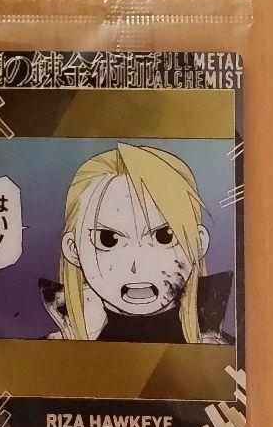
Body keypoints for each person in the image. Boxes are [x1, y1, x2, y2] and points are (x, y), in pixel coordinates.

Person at [55, 143, 232, 343]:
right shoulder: (47, 351)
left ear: (198, 243)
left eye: (164, 236)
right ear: (73, 249)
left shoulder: (225, 351)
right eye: (108, 239)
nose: (137, 266)